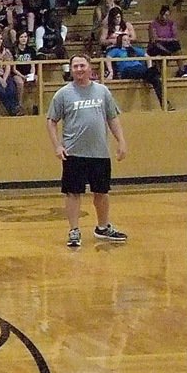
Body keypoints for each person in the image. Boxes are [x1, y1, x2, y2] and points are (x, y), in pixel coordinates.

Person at [46, 53, 129, 248]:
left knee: (102, 192)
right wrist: (57, 145)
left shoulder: (102, 92)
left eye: (82, 65)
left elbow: (112, 118)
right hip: (73, 153)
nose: (79, 69)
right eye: (75, 66)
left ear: (90, 68)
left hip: (99, 152)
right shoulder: (63, 94)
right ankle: (74, 230)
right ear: (71, 70)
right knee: (73, 193)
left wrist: (121, 141)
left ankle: (103, 227)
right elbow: (51, 121)